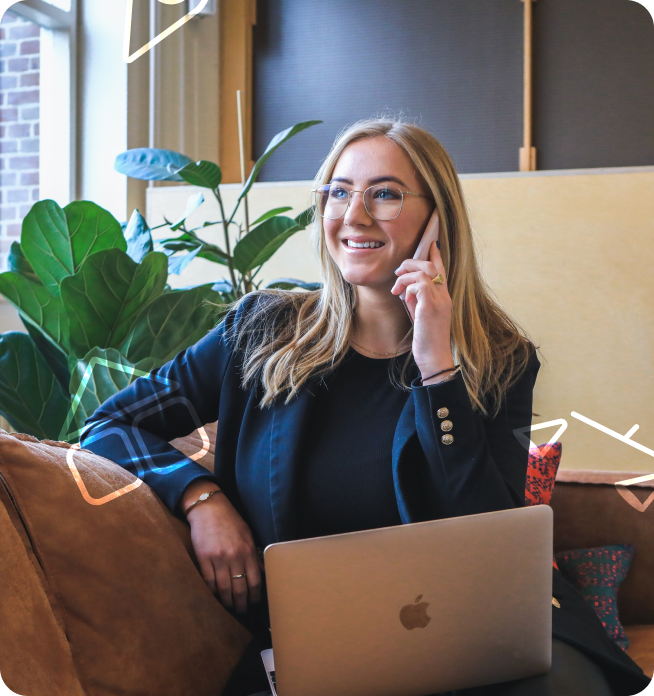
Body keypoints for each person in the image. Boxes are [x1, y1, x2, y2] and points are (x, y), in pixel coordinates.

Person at [80, 119, 650, 696]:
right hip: (320, 646)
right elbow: (108, 424)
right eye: (338, 191)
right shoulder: (258, 331)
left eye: (384, 193)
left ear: (437, 218)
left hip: (478, 634)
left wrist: (439, 370)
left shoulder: (500, 357)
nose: (353, 215)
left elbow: (492, 541)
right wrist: (201, 498)